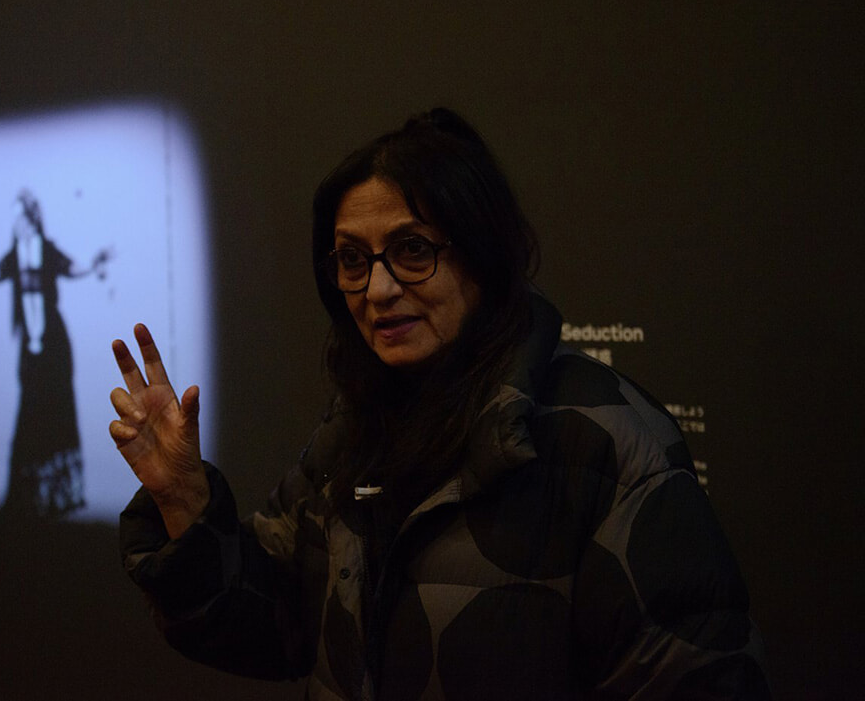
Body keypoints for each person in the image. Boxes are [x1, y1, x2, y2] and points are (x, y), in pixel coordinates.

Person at [109, 110, 769, 699]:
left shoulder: (607, 441)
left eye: (412, 250)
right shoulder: (355, 428)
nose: (378, 289)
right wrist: (185, 501)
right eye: (352, 259)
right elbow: (275, 621)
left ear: (483, 252)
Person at [0, 189, 109, 520]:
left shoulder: (47, 251)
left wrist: (94, 264)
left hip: (54, 342)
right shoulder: (15, 255)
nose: (17, 225)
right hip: (30, 345)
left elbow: (72, 267)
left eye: (21, 219)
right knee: (31, 409)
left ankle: (58, 493)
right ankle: (28, 494)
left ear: (32, 220)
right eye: (15, 220)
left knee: (57, 405)